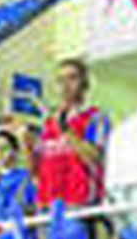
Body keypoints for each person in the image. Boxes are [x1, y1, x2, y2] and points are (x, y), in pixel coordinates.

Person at [27, 57, 110, 209]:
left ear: (85, 84)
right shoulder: (47, 125)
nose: (65, 86)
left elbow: (94, 158)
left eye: (72, 78)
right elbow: (36, 172)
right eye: (60, 80)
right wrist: (26, 145)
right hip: (48, 209)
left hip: (79, 206)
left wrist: (66, 130)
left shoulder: (94, 117)